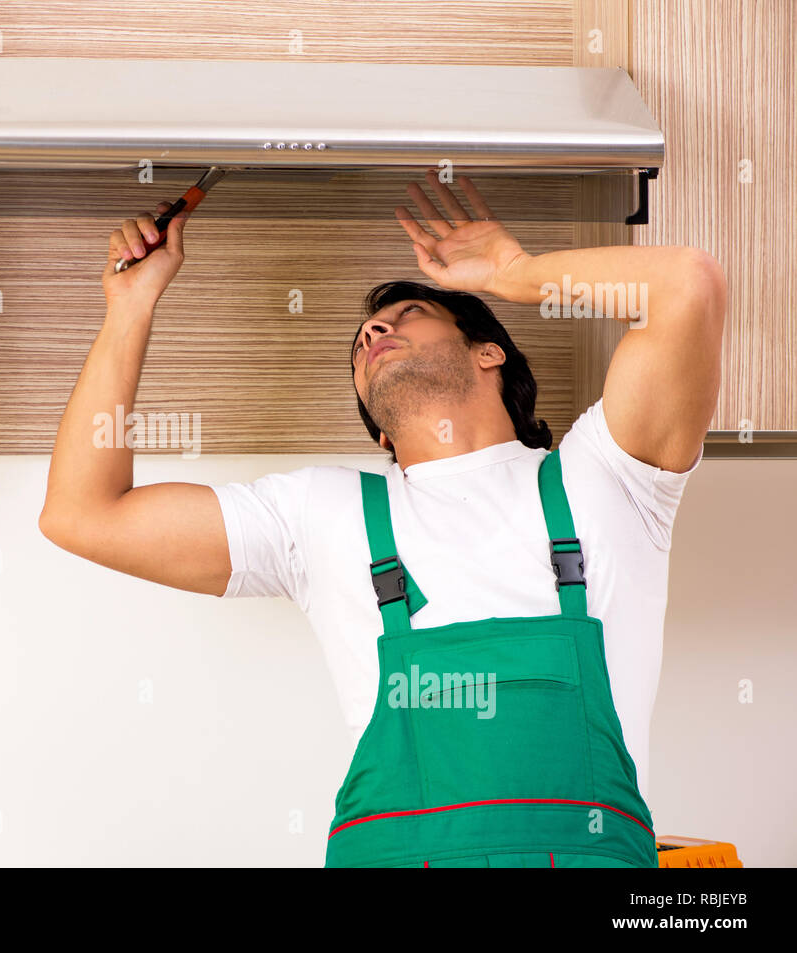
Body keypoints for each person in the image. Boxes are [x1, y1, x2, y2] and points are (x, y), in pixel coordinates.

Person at [38, 170, 725, 867]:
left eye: (408, 317)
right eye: (367, 338)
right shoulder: (321, 512)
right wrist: (129, 306)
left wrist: (518, 272)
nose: (374, 329)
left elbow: (687, 287)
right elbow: (82, 513)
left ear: (490, 352)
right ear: (379, 434)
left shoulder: (607, 476)